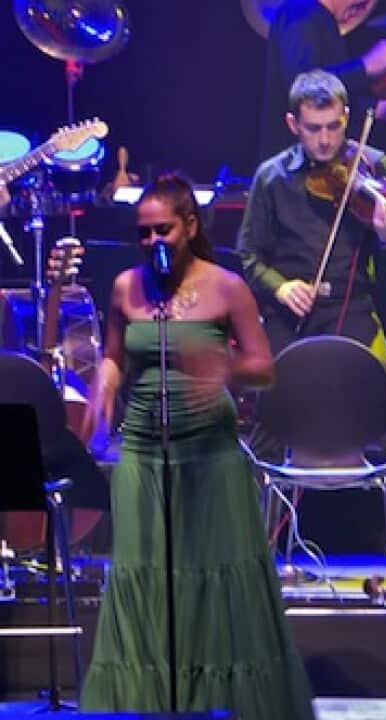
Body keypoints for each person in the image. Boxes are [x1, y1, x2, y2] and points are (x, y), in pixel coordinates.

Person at [78, 174, 314, 719]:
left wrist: (223, 367)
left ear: (190, 226)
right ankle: (155, 699)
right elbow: (115, 353)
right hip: (141, 447)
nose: (153, 241)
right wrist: (104, 386)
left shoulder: (227, 286)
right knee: (144, 572)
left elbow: (264, 368)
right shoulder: (124, 288)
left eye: (163, 229)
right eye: (143, 233)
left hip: (209, 450)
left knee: (215, 572)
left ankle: (216, 695)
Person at [240, 69, 386, 362]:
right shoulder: (272, 178)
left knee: (366, 385)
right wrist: (281, 287)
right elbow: (248, 257)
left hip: (353, 308)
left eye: (334, 126)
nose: (325, 140)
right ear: (293, 124)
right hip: (290, 314)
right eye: (313, 129)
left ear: (346, 116)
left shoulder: (375, 167)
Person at [258, 0, 386, 159]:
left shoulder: (320, 18)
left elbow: (328, 99)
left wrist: (379, 110)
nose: (363, 11)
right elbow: (303, 88)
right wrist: (366, 66)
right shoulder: (300, 12)